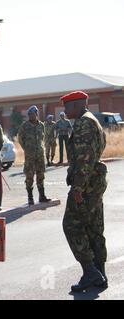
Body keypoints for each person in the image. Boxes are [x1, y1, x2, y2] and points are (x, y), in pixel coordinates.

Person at [61, 91, 108, 292]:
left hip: (86, 185)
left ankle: (90, 272)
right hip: (95, 182)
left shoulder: (83, 123)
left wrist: (78, 188)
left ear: (77, 105)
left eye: (67, 106)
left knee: (71, 225)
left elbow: (85, 159)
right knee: (94, 228)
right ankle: (100, 274)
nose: (64, 110)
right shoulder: (93, 121)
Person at [18, 106, 51, 205]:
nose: (31, 116)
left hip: (40, 155)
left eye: (32, 114)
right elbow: (20, 138)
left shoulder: (41, 125)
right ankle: (30, 198)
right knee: (29, 176)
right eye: (29, 115)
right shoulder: (25, 126)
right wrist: (27, 149)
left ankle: (42, 196)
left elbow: (43, 137)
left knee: (41, 175)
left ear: (36, 114)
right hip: (30, 156)